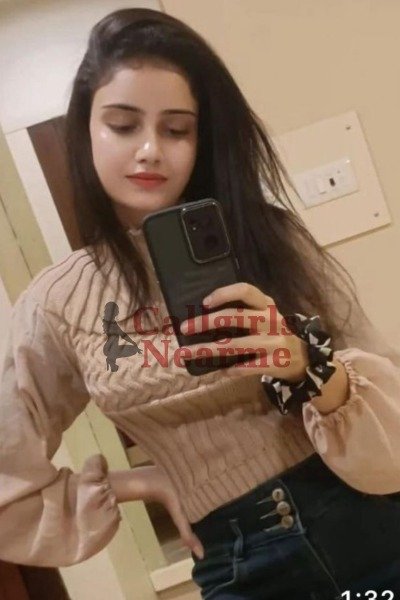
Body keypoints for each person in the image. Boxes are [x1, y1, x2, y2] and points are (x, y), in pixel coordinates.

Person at [1, 7, 400, 599]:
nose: (149, 150)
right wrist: (140, 482)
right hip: (240, 568)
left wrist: (304, 364)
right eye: (123, 125)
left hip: (367, 522)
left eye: (176, 129)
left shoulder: (268, 236)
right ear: (84, 133)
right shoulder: (58, 302)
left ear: (202, 138)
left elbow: (389, 412)